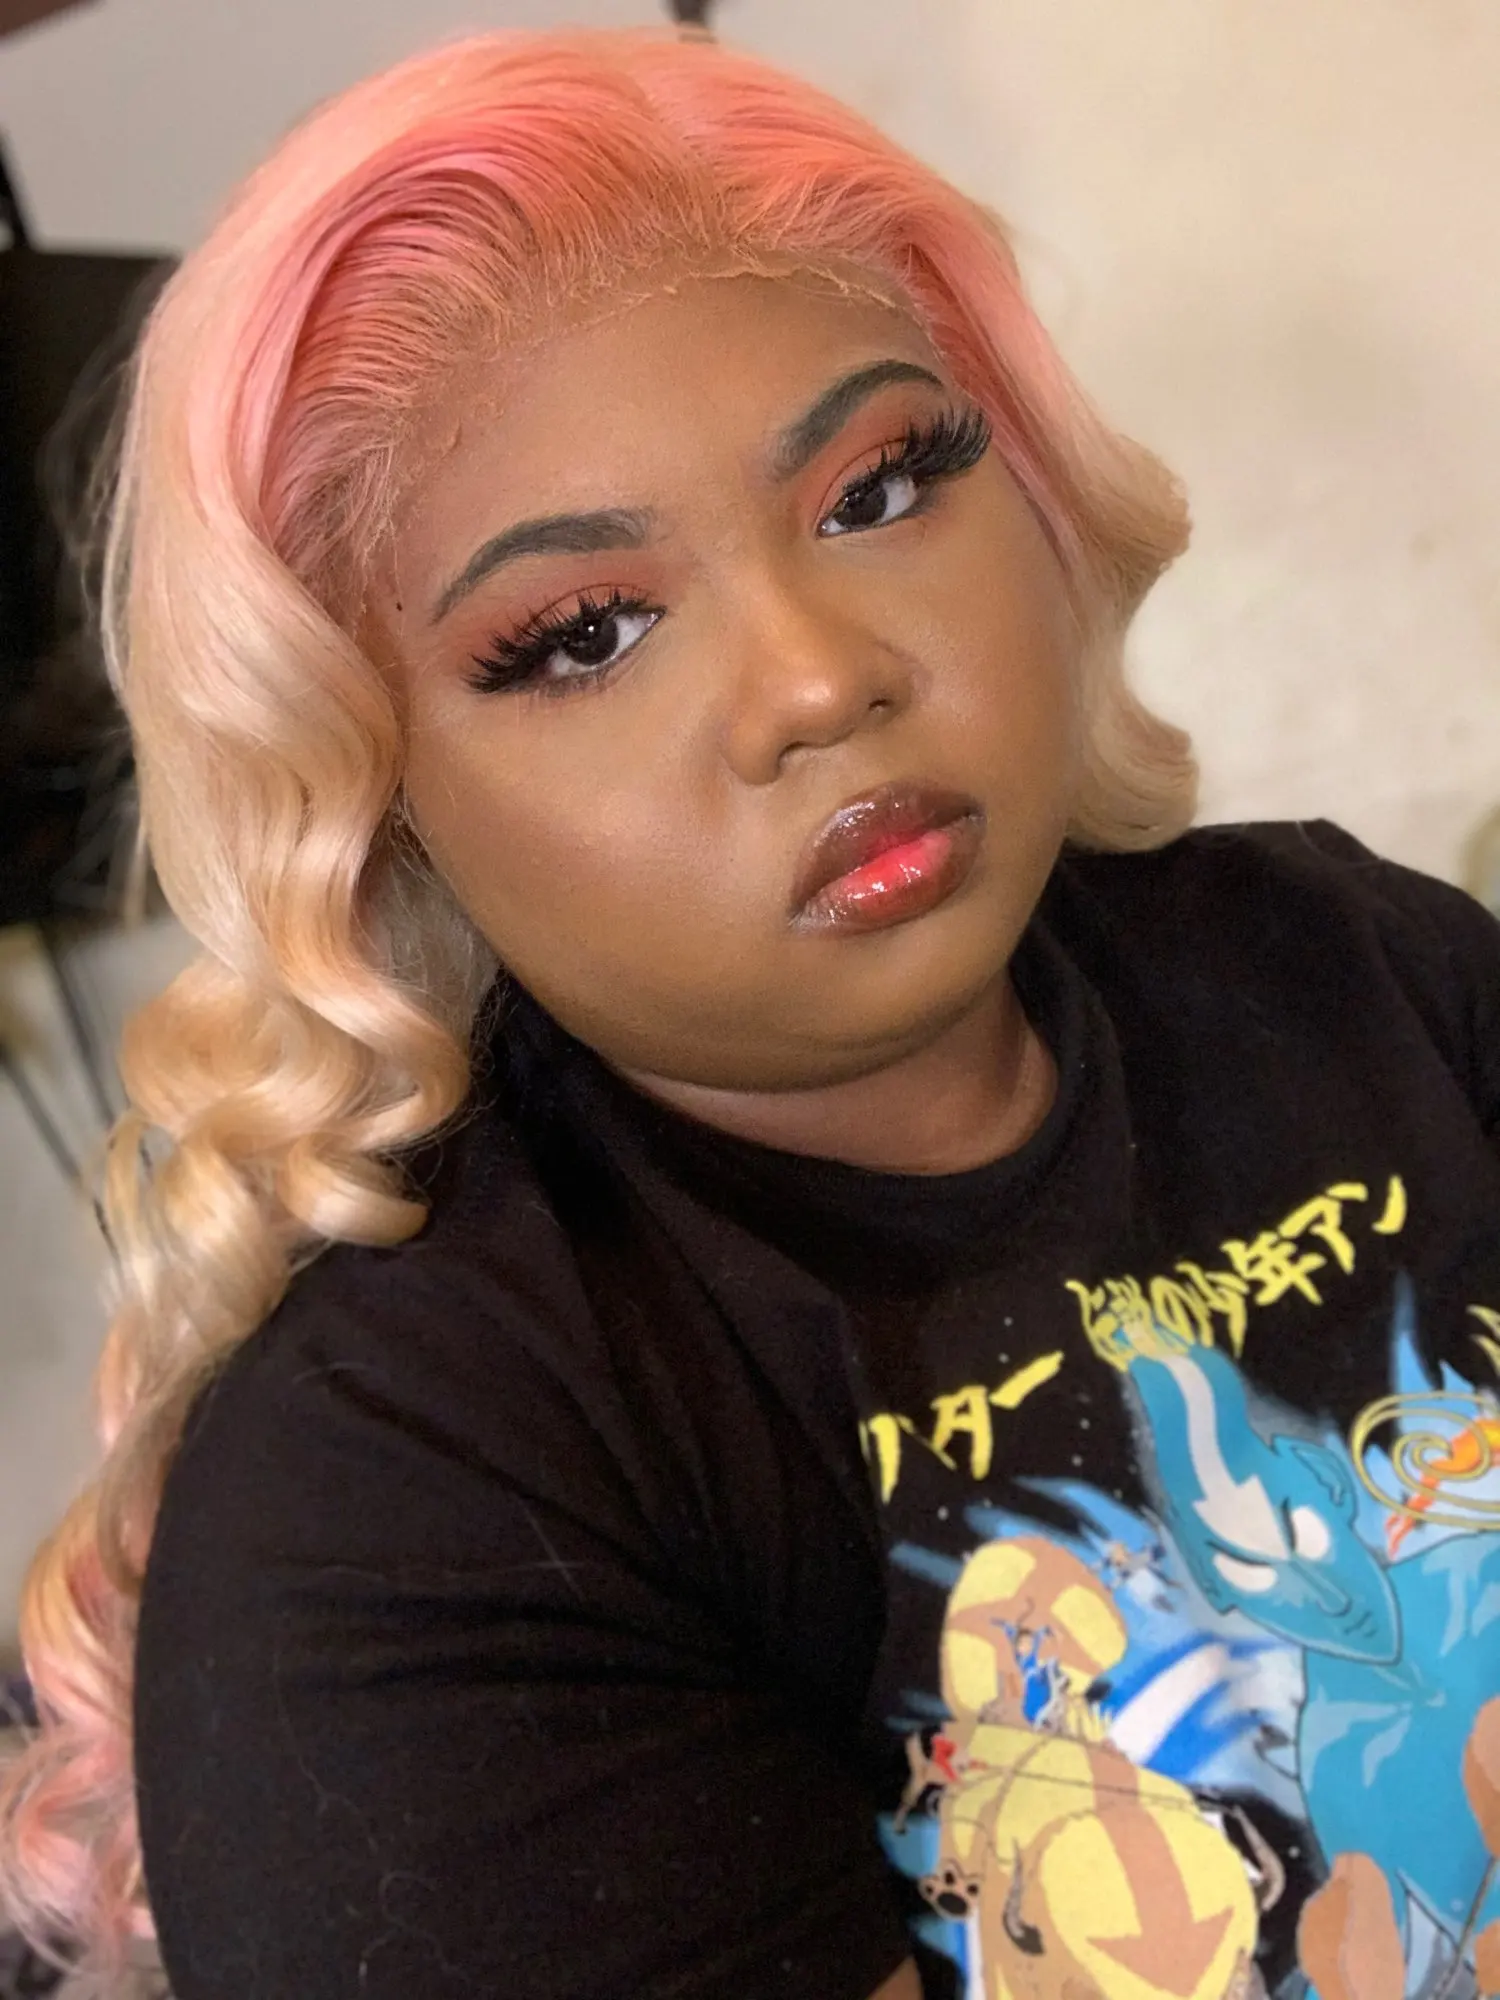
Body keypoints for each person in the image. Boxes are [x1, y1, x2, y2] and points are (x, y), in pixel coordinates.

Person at [2, 24, 1498, 2000]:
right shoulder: (405, 1505)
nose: (815, 678)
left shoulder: (1353, 962)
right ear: (374, 790)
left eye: (878, 488)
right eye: (583, 635)